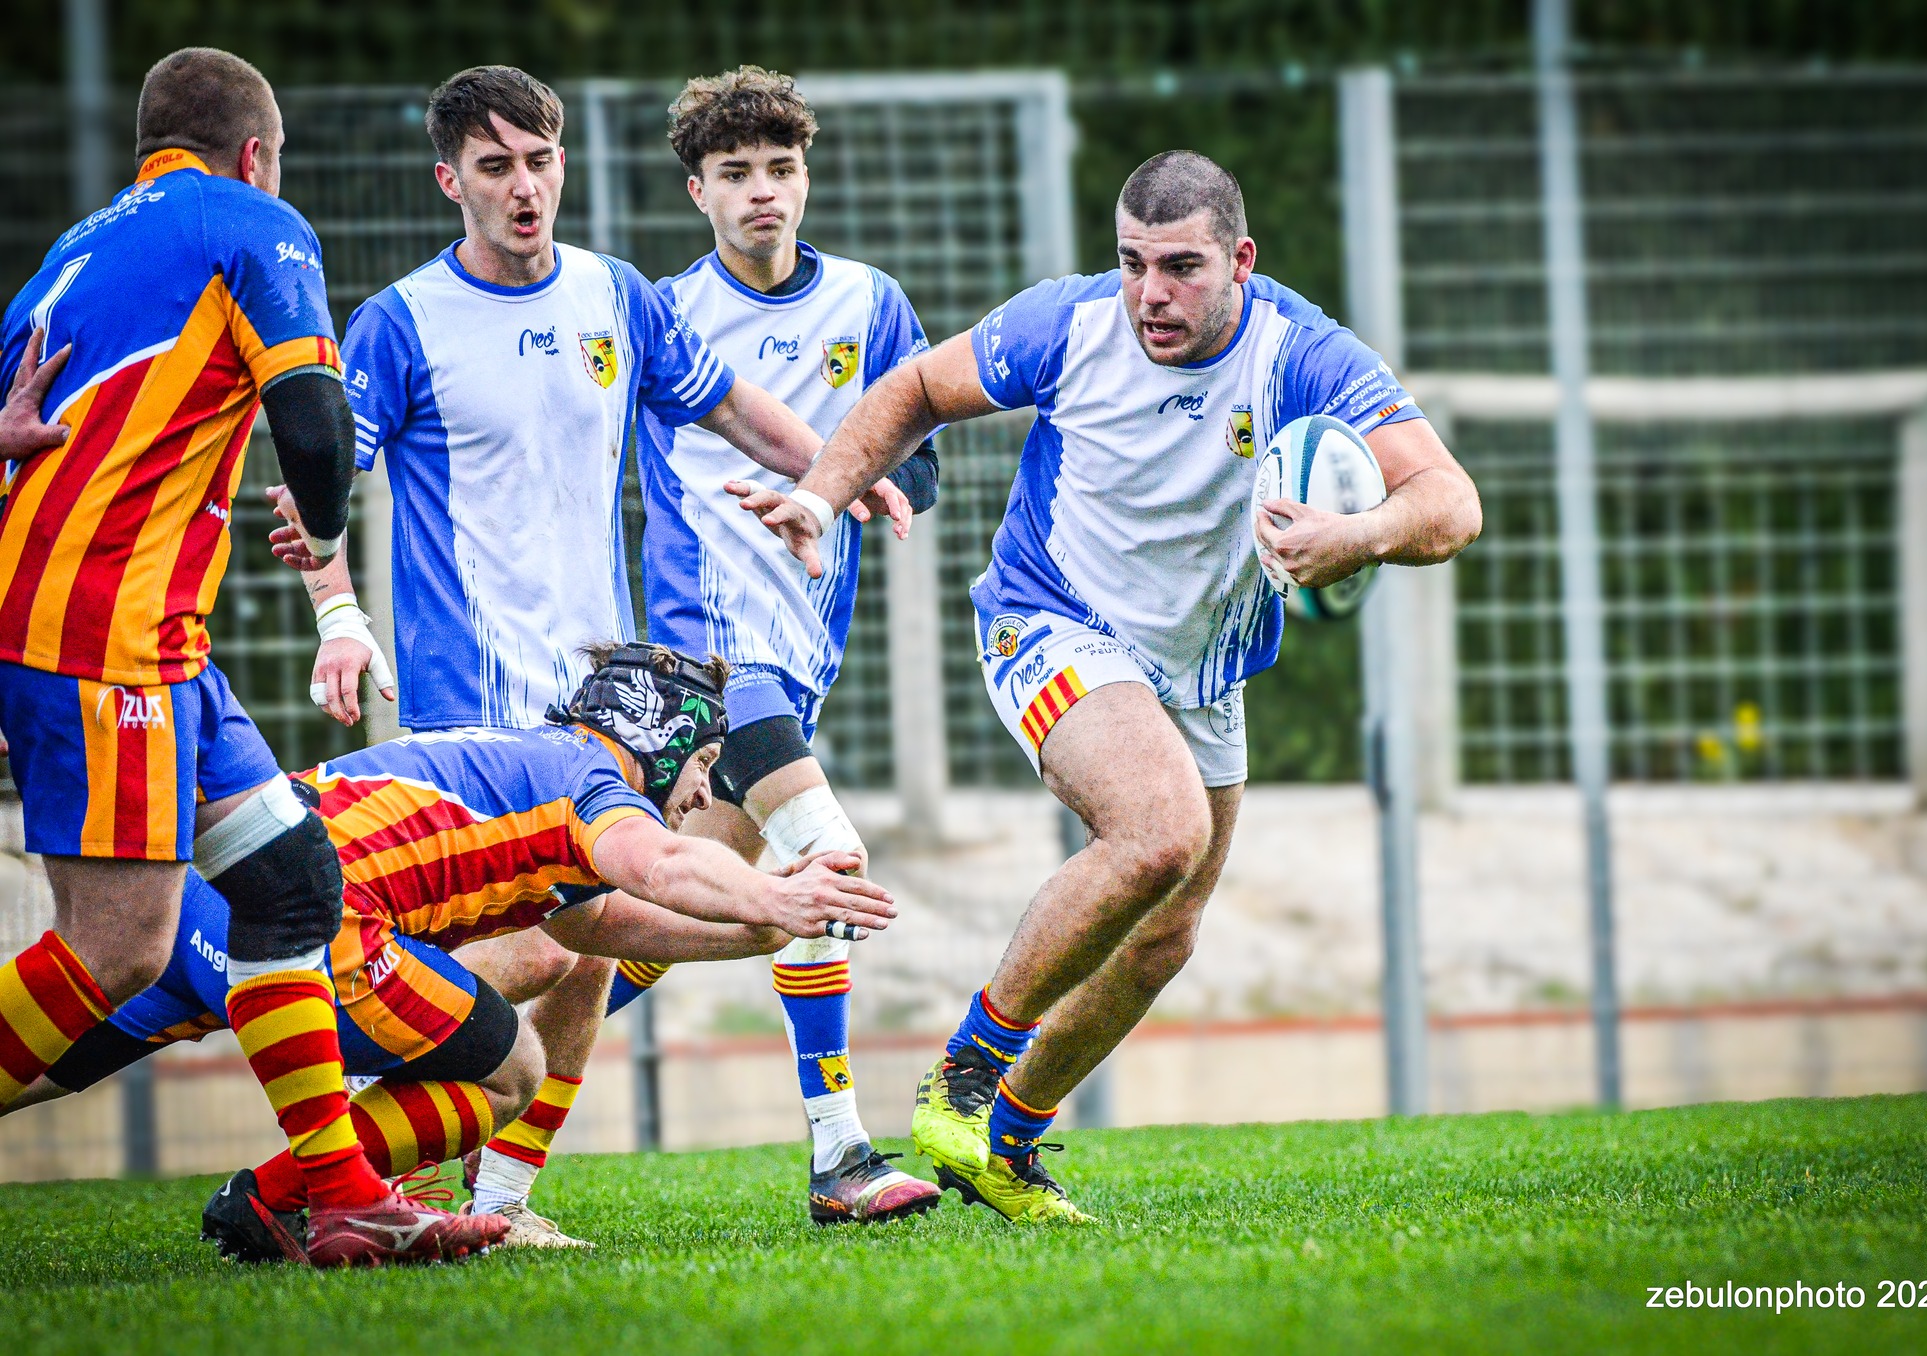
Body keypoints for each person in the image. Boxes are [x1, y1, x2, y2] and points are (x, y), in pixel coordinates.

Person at [736, 151, 1484, 1220]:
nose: (1150, 295)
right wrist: (819, 495)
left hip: (1199, 663)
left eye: (1180, 268)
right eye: (1133, 264)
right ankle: (962, 1075)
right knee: (1161, 828)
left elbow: (1451, 502)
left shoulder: (1299, 352)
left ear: (1241, 260)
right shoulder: (1068, 324)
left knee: (1164, 937)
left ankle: (1005, 1141)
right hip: (1051, 623)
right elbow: (916, 389)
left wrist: (1357, 534)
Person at [0, 47, 502, 1265]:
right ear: (258, 153)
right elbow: (315, 425)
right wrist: (324, 538)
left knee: (290, 886)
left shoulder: (69, 255)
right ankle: (338, 1189)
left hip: (153, 644)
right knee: (121, 945)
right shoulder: (251, 222)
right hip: (100, 635)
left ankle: (341, 1195)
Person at [2, 643, 897, 1257]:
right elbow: (659, 865)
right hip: (308, 926)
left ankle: (292, 1197)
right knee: (511, 1070)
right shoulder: (592, 780)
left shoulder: (549, 765)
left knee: (44, 1062)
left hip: (209, 905)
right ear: (659, 738)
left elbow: (595, 926)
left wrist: (763, 928)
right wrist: (777, 892)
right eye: (702, 765)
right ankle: (278, 1200)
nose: (701, 795)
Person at [483, 65, 943, 1228]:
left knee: (615, 945)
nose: (761, 193)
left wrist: (839, 483)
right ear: (698, 192)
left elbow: (920, 467)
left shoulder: (872, 304)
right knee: (822, 861)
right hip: (713, 667)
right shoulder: (663, 316)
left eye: (780, 169)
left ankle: (466, 1166)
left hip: (802, 661)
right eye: (734, 174)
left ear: (806, 178)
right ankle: (840, 1155)